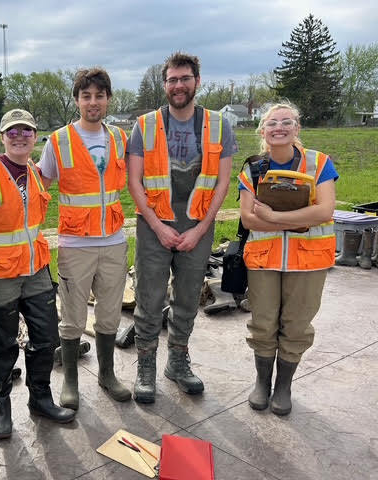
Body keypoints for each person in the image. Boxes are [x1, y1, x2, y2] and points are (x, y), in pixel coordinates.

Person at [127, 52, 237, 403]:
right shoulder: (144, 126)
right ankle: (146, 366)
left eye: (184, 78)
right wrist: (158, 227)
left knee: (188, 297)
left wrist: (201, 228)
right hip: (154, 227)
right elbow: (134, 183)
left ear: (197, 82)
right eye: (172, 80)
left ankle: (177, 361)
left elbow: (222, 184)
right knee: (149, 297)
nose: (178, 85)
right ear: (165, 84)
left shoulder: (219, 125)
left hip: (197, 228)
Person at [0, 108, 75, 439]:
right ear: (2, 137)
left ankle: (40, 398)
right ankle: (1, 403)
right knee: (3, 342)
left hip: (36, 268)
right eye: (12, 132)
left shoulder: (38, 173)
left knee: (46, 336)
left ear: (34, 136)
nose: (19, 137)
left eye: (26, 131)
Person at [38, 67, 131, 410]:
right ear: (77, 100)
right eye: (86, 96)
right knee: (73, 314)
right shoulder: (59, 141)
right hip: (75, 243)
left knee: (109, 313)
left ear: (108, 99)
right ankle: (71, 382)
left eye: (99, 95)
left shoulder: (120, 138)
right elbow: (39, 188)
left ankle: (107, 375)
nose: (93, 102)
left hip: (113, 241)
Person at [238, 102, 338, 415]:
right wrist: (296, 219)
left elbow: (325, 210)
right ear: (262, 131)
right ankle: (262, 382)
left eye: (286, 122)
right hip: (265, 259)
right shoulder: (253, 168)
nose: (279, 127)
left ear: (297, 128)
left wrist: (274, 216)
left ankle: (284, 387)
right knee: (263, 323)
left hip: (308, 260)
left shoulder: (319, 163)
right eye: (272, 123)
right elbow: (247, 218)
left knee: (296, 325)